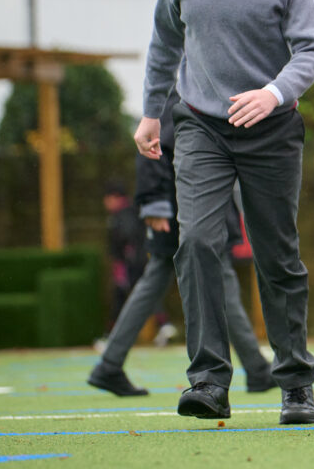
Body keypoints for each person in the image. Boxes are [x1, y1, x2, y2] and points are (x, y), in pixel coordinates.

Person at [134, 0, 314, 424]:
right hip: (199, 127)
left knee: (277, 256)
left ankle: (294, 382)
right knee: (196, 242)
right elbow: (165, 42)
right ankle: (208, 381)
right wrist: (151, 114)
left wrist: (272, 93)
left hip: (270, 131)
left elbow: (311, 50)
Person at [89, 91, 275, 398]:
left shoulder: (192, 93)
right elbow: (152, 147)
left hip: (181, 208)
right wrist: (153, 204)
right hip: (186, 210)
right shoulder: (184, 97)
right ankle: (256, 369)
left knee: (160, 281)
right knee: (219, 281)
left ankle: (109, 365)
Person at [103, 180, 146, 330]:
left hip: (129, 265)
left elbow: (127, 236)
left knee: (125, 297)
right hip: (134, 262)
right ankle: (164, 324)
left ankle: (111, 334)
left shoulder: (124, 214)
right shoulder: (131, 211)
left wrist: (124, 258)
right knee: (132, 295)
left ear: (115, 197)